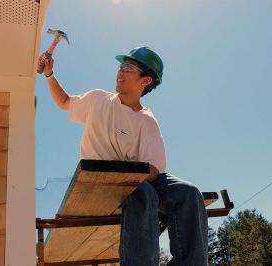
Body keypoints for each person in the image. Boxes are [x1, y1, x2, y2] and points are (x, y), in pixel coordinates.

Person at [39, 46, 208, 266]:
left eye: (128, 68)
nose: (120, 72)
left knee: (189, 194)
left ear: (145, 81)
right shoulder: (98, 100)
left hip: (132, 184)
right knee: (142, 190)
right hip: (96, 184)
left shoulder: (146, 121)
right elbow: (64, 102)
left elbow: (155, 168)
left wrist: (129, 177)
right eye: (121, 66)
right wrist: (49, 74)